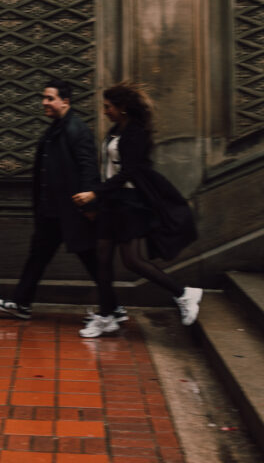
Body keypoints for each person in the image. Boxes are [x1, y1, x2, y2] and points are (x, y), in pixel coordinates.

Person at [0, 80, 126, 324]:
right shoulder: (58, 128)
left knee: (90, 258)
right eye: (44, 98)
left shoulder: (76, 129)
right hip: (53, 210)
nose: (45, 102)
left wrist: (90, 205)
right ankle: (21, 303)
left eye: (50, 98)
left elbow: (88, 168)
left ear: (66, 102)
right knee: (39, 256)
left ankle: (113, 307)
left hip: (71, 209)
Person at [72, 81, 201, 338]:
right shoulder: (117, 129)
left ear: (122, 108)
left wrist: (95, 192)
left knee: (131, 260)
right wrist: (99, 197)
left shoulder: (135, 133)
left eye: (108, 107)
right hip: (112, 202)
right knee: (102, 257)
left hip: (128, 203)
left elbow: (129, 172)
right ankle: (107, 315)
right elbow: (109, 169)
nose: (104, 111)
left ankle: (183, 293)